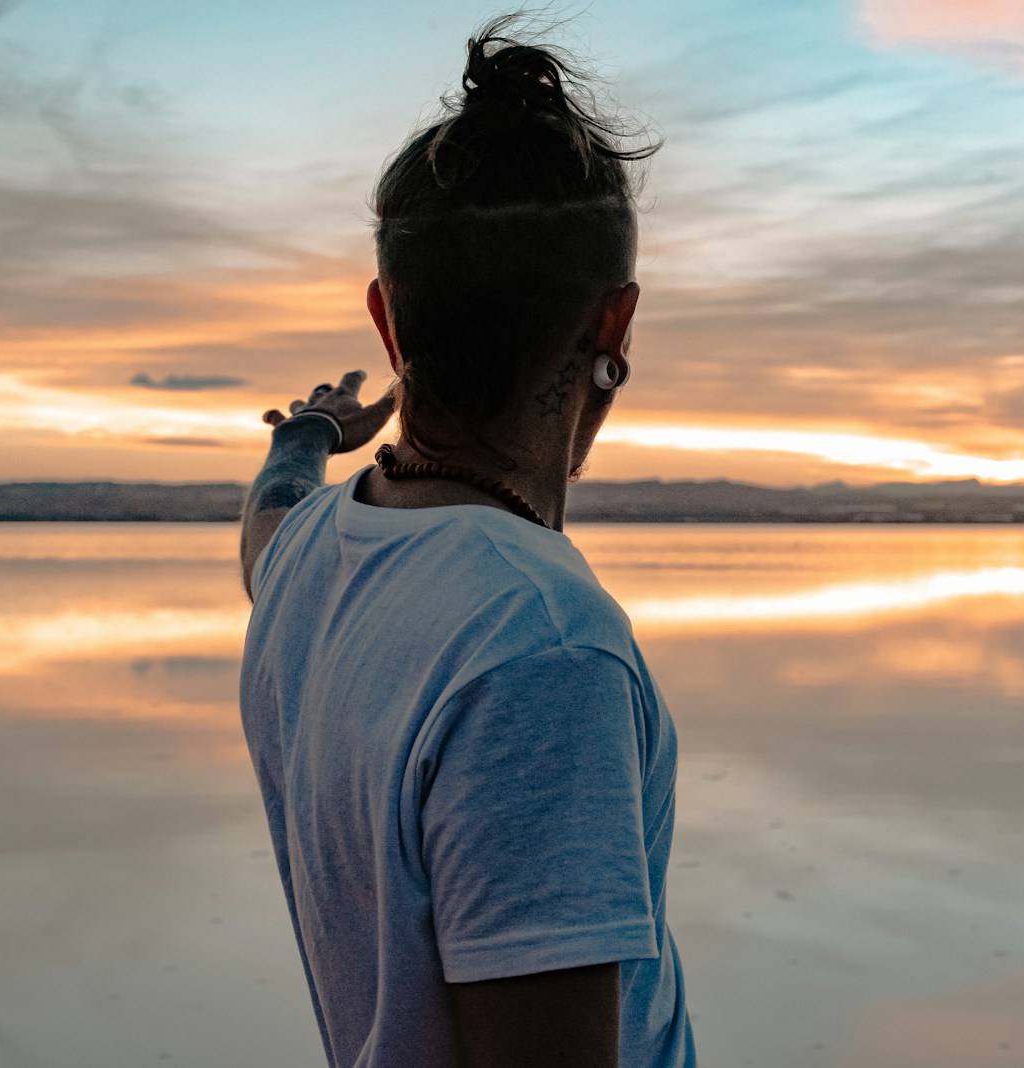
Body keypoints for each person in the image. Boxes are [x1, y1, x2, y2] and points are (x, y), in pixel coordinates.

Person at [236, 16, 695, 1068]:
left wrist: (306, 435)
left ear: (386, 322)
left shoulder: (313, 553)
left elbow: (264, 526)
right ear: (614, 326)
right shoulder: (542, 648)